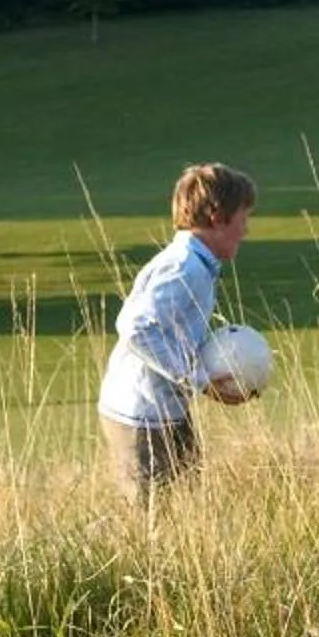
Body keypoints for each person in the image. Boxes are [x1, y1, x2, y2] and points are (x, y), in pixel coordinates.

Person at [97, 162, 256, 501]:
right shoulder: (186, 267)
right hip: (141, 416)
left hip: (165, 412)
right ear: (217, 217)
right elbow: (134, 327)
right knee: (155, 525)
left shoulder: (194, 263)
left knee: (188, 510)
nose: (246, 230)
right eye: (243, 218)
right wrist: (199, 378)